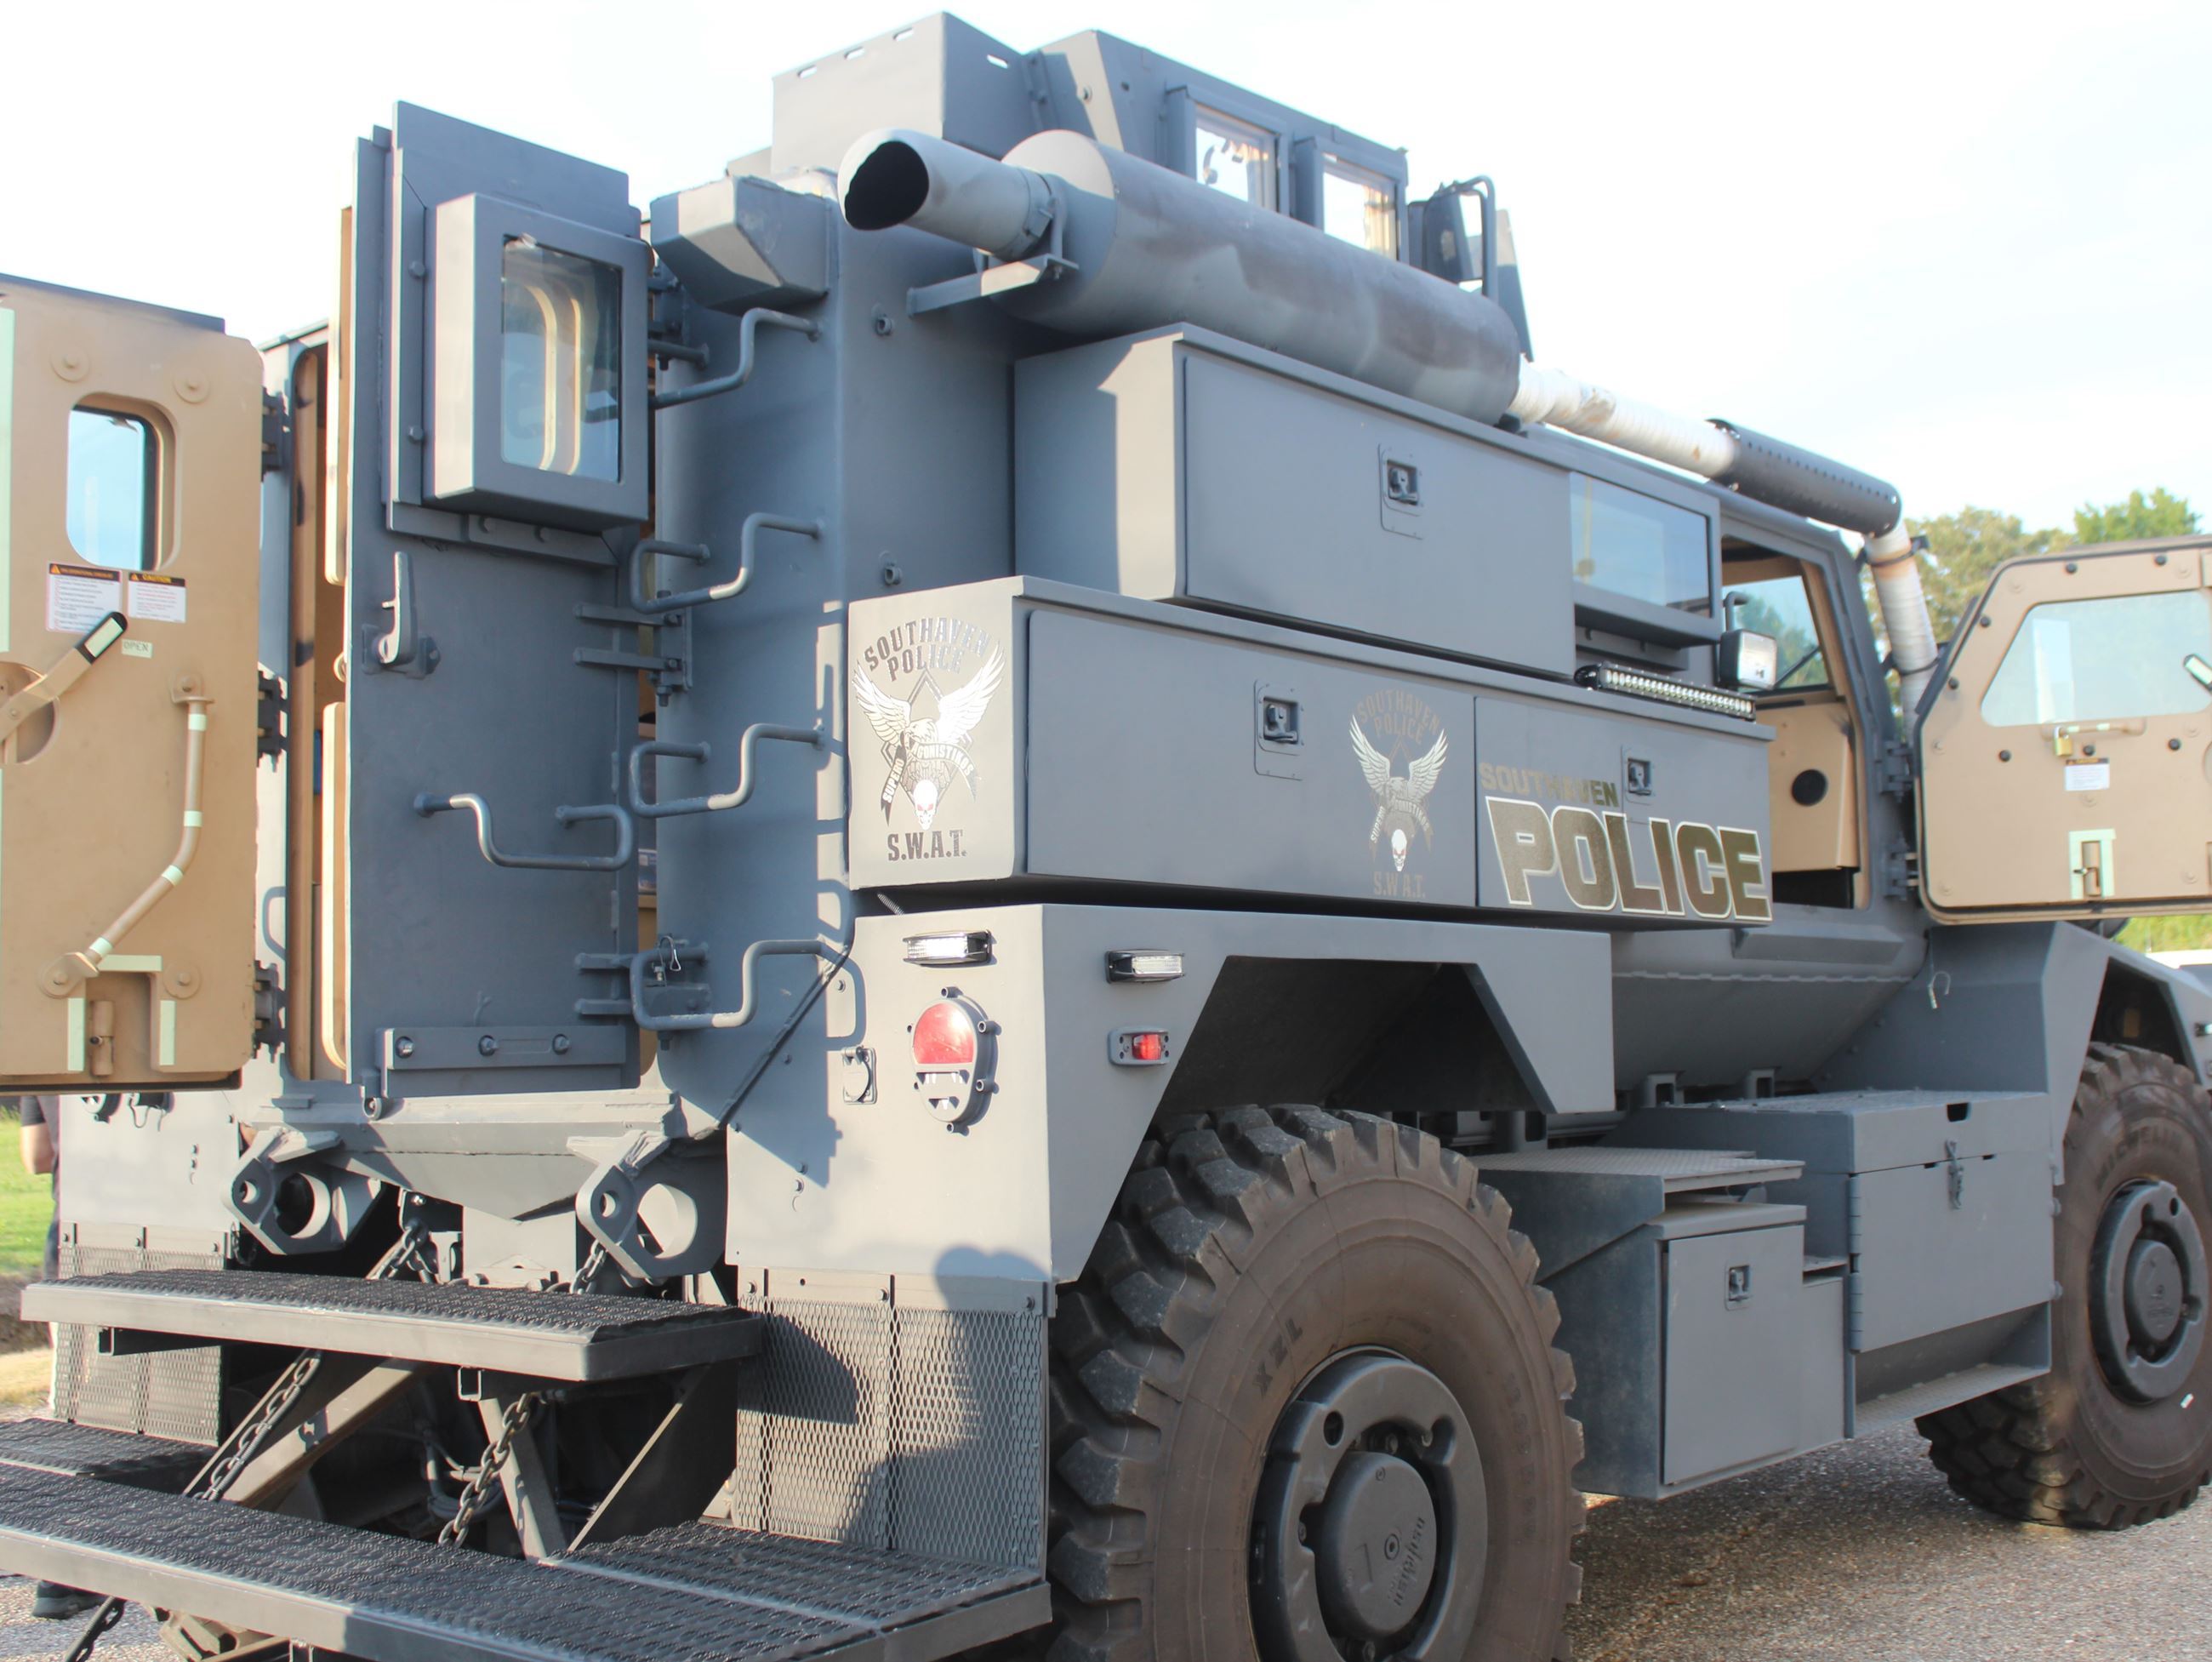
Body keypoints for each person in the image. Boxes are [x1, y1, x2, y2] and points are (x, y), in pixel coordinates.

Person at [14, 1095, 96, 1620]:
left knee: (71, 1405)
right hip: (144, 1218)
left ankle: (59, 1571)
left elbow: (37, 1156)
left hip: (70, 1227)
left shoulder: (58, 1050)